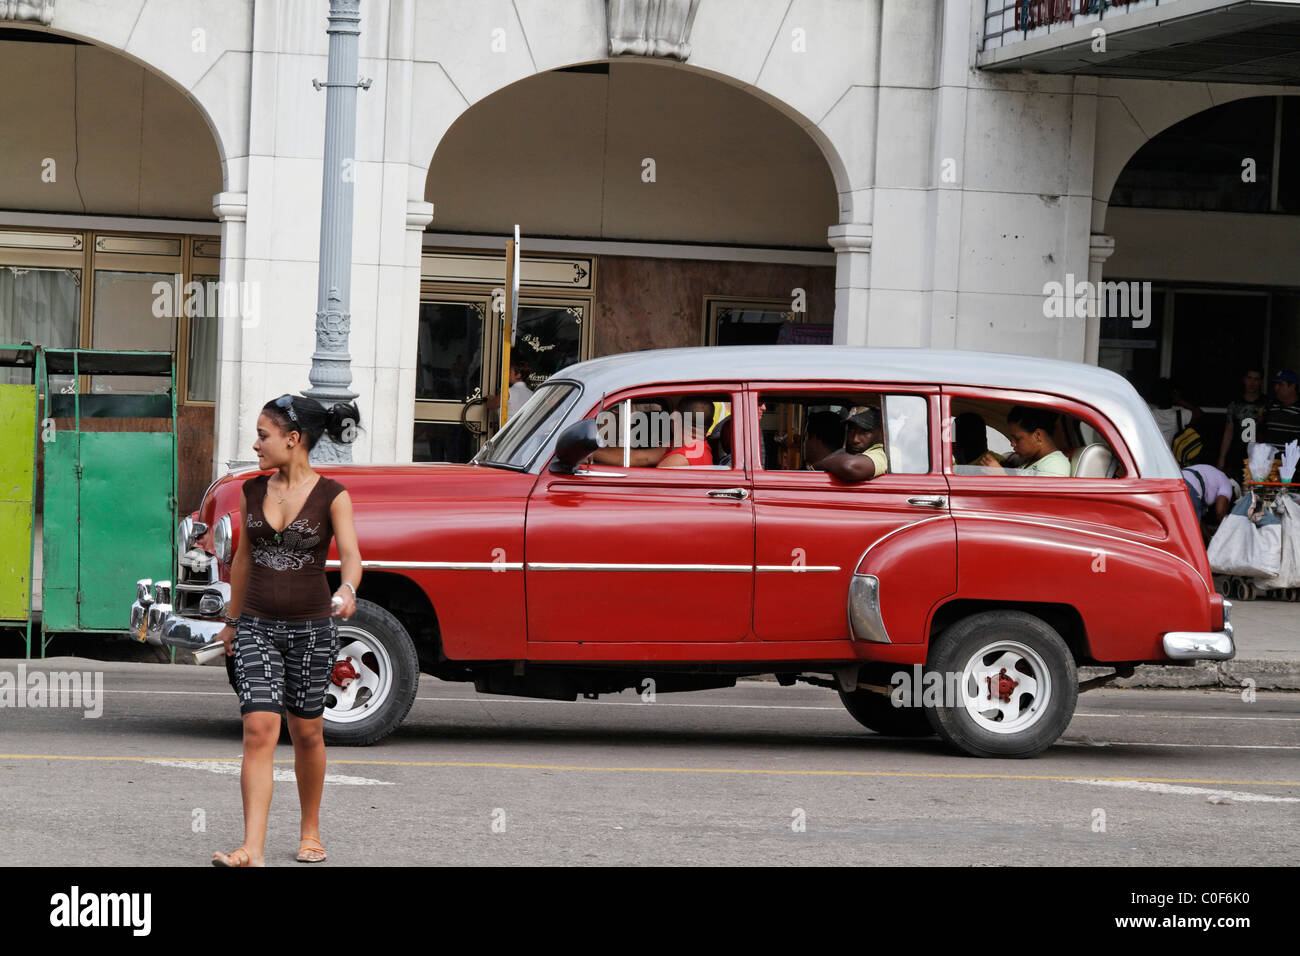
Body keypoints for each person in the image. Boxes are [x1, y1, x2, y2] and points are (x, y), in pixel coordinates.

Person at [211, 394, 363, 867]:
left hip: (313, 630)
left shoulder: (333, 495)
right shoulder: (251, 491)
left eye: (263, 435)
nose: (256, 445)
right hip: (256, 625)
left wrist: (350, 589)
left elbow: (353, 559)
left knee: (307, 733)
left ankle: (310, 831)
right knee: (259, 728)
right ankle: (251, 849)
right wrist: (231, 622)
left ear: (293, 440)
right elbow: (241, 560)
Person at [976, 405, 1070, 476]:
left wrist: (1001, 477)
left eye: (1017, 439)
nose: (1012, 444)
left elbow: (1039, 501)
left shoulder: (1054, 465)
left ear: (1037, 436)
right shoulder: (1028, 460)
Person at [1217, 368, 1265, 472]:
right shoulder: (1235, 403)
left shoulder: (1267, 403)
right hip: (1236, 455)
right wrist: (1221, 460)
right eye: (1249, 378)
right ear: (1244, 380)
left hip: (1259, 457)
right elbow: (1228, 431)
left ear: (1261, 382)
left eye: (1256, 379)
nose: (1252, 383)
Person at [1260, 370, 1300, 449]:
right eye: (1275, 384)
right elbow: (1262, 433)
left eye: (1280, 384)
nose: (1276, 388)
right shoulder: (1270, 406)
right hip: (1269, 460)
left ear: (1292, 386)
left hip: (1291, 460)